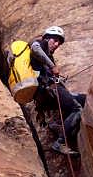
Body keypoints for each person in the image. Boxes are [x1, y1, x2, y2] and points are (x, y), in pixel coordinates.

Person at [30, 26, 86, 156]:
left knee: (83, 99)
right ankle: (60, 142)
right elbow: (35, 48)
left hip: (48, 92)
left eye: (59, 43)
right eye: (54, 40)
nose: (56, 45)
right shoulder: (40, 44)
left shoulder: (48, 55)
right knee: (76, 108)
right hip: (47, 90)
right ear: (46, 37)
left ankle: (61, 126)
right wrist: (52, 66)